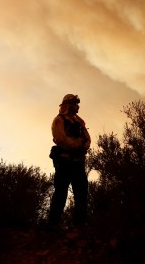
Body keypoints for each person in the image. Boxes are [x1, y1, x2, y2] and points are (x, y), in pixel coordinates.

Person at [48, 94, 91, 230]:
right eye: (75, 104)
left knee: (81, 193)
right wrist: (78, 145)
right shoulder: (58, 120)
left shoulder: (80, 123)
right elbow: (61, 139)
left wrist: (83, 145)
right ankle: (53, 225)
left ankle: (79, 225)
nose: (77, 106)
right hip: (64, 162)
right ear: (69, 105)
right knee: (61, 192)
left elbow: (87, 139)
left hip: (78, 163)